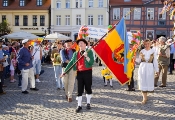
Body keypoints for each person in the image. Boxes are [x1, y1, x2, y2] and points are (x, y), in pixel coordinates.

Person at [61, 39, 94, 113]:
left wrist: (86, 56)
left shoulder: (89, 52)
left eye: (82, 43)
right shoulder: (75, 53)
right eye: (79, 43)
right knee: (79, 89)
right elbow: (71, 63)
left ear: (85, 45)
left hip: (88, 72)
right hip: (79, 72)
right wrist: (65, 71)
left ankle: (88, 103)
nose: (80, 44)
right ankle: (79, 105)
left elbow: (91, 62)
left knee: (88, 88)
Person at [136, 39, 159, 104]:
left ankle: (146, 95)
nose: (147, 45)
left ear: (150, 44)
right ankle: (144, 98)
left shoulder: (153, 51)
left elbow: (155, 62)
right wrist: (135, 57)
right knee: (142, 81)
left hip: (150, 68)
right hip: (142, 67)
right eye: (145, 44)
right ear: (144, 44)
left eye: (148, 44)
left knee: (148, 81)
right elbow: (138, 60)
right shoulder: (142, 51)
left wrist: (157, 70)